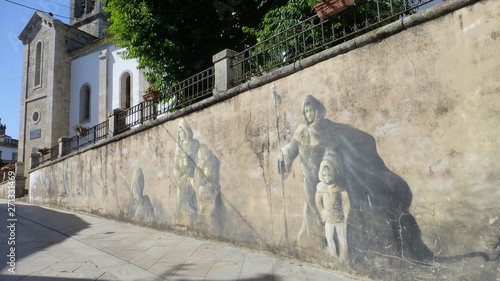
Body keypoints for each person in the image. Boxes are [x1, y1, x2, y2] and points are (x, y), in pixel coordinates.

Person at [279, 95, 434, 262]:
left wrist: (327, 169)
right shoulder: (301, 131)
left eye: (311, 110)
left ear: (318, 111)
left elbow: (332, 150)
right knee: (313, 211)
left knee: (335, 214)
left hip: (328, 178)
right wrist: (283, 157)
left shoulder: (328, 129)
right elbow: (291, 149)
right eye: (306, 110)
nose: (309, 113)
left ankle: (337, 249)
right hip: (310, 182)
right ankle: (312, 245)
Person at [315, 155, 349, 260]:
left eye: (329, 174)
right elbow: (318, 201)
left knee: (342, 238)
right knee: (329, 237)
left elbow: (346, 203)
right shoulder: (320, 187)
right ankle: (333, 256)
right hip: (328, 217)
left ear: (333, 173)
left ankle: (343, 259)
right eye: (324, 175)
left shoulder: (339, 186)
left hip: (339, 217)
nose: (327, 177)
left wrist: (346, 215)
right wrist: (322, 212)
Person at [174, 119, 199, 225]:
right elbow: (175, 167)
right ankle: (181, 223)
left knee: (192, 203)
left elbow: (199, 160)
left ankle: (194, 224)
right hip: (181, 180)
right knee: (181, 202)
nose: (181, 134)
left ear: (187, 131)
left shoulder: (195, 144)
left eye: (182, 131)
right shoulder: (179, 148)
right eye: (179, 132)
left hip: (191, 178)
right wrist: (180, 178)